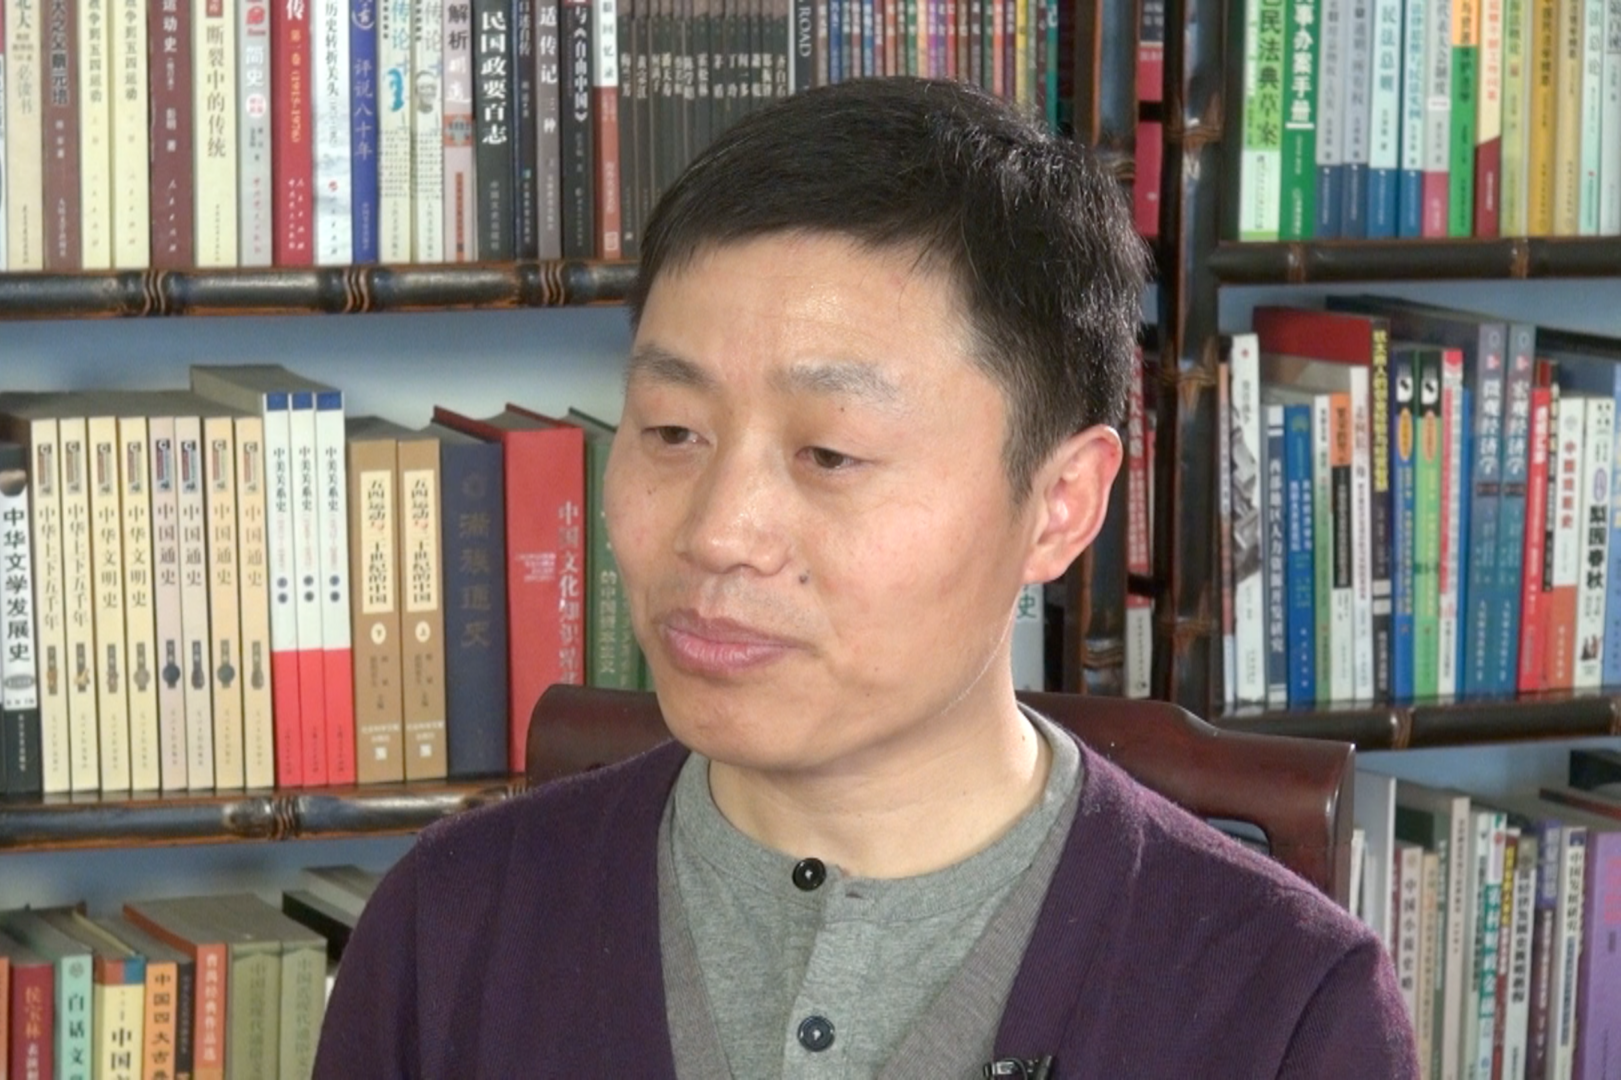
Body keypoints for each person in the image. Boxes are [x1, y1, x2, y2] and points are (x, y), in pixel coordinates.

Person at [314, 77, 1417, 1078]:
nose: (719, 534)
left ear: (1061, 505)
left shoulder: (1290, 1010)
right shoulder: (448, 924)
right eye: (672, 431)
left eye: (831, 453)